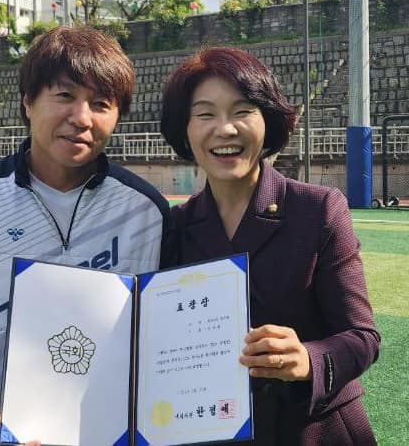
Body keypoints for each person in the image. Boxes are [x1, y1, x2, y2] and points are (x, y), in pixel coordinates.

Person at [0, 26, 170, 446]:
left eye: (101, 103)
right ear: (28, 100)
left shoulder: (147, 210)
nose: (82, 118)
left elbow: (165, 337)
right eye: (64, 95)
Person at [160, 47, 380, 445]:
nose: (225, 129)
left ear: (268, 121)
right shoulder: (175, 226)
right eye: (205, 114)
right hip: (212, 430)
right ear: (184, 130)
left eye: (242, 111)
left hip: (313, 430)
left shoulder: (318, 209)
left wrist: (308, 360)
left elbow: (362, 337)